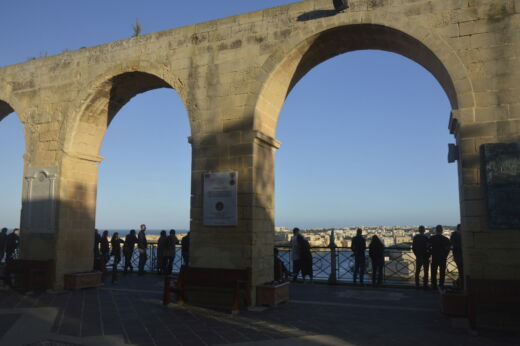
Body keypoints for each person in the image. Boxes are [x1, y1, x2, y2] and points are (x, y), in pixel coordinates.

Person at [430, 225, 451, 290]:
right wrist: (445, 256)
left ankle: (434, 285)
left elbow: (427, 246)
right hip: (442, 258)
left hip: (434, 257)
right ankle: (441, 285)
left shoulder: (432, 238)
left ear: (436, 230)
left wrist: (431, 252)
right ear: (442, 231)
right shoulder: (446, 239)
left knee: (433, 272)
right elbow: (448, 249)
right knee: (442, 272)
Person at [451, 224, 463, 288]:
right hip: (458, 255)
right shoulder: (457, 235)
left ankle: (458, 283)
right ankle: (459, 283)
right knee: (461, 271)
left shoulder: (454, 234)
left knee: (461, 271)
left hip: (457, 255)